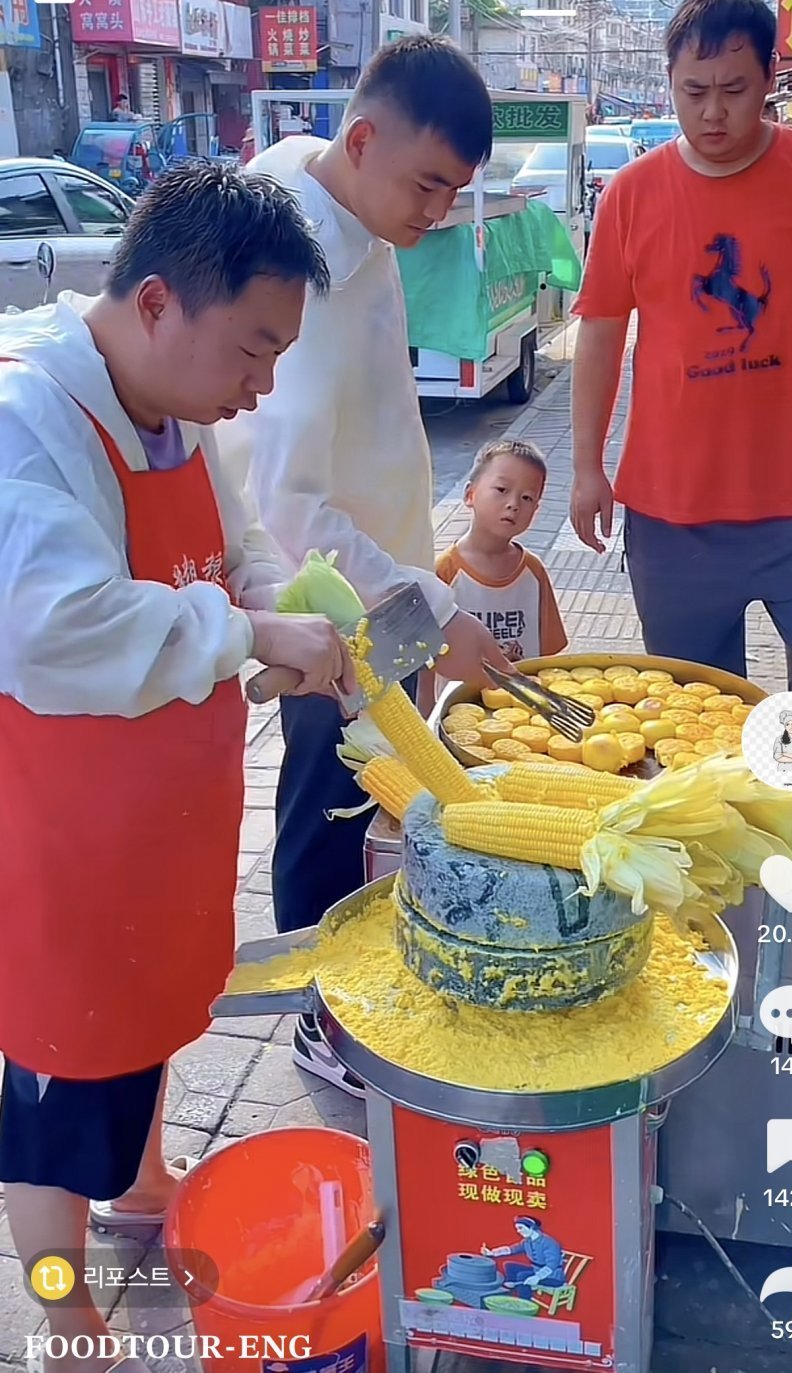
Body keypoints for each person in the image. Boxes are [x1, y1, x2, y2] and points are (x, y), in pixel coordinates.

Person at [0, 163, 352, 1370]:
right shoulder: (29, 420)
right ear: (158, 303)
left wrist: (280, 605)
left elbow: (238, 551)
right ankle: (61, 1314)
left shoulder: (178, 409)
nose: (260, 391)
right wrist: (252, 636)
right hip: (67, 840)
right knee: (54, 1111)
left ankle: (143, 1181)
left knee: (152, 1014)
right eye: (253, 351)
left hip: (164, 818)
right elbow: (59, 624)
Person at [215, 36, 512, 1096]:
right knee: (328, 795)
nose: (434, 210)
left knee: (384, 782)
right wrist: (431, 604)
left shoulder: (349, 205)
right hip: (335, 592)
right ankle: (314, 1012)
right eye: (426, 182)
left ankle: (368, 968)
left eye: (453, 190)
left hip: (386, 570)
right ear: (362, 138)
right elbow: (289, 502)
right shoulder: (298, 264)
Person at [570, 0, 792, 698]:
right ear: (669, 81)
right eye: (694, 92)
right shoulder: (631, 194)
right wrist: (586, 466)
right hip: (672, 516)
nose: (713, 112)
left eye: (735, 90)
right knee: (700, 714)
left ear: (771, 77)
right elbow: (601, 332)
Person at [420, 440, 568, 714]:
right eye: (501, 490)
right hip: (459, 714)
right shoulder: (444, 572)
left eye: (527, 498)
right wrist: (428, 719)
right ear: (470, 495)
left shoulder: (533, 572)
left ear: (536, 511)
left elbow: (548, 659)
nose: (513, 504)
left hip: (523, 714)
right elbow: (426, 665)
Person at [482, 1217, 567, 1302]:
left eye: (520, 1228)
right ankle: (511, 1292)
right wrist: (492, 1253)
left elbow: (552, 1265)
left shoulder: (549, 1243)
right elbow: (511, 1249)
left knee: (522, 1275)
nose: (518, 1231)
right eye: (517, 1229)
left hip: (553, 1276)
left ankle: (524, 1302)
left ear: (531, 1227)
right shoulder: (527, 1241)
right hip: (536, 1270)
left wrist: (537, 1277)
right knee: (509, 1265)